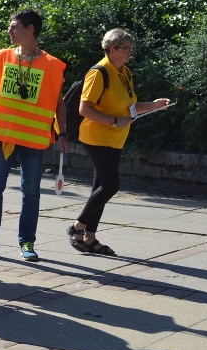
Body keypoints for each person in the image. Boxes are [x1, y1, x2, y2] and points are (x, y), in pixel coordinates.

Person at [0, 9, 68, 262]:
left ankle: (27, 243)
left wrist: (62, 133)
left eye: (14, 27)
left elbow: (58, 102)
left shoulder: (52, 65)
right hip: (3, 136)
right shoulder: (4, 58)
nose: (9, 32)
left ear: (30, 29)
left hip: (33, 139)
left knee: (31, 192)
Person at [68, 28, 171, 256]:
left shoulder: (124, 72)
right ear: (111, 49)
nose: (129, 52)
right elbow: (84, 109)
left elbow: (130, 107)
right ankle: (77, 226)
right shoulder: (99, 72)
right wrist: (114, 121)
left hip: (115, 138)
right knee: (111, 186)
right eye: (125, 48)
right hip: (96, 137)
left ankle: (90, 238)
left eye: (130, 48)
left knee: (100, 188)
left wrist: (153, 105)